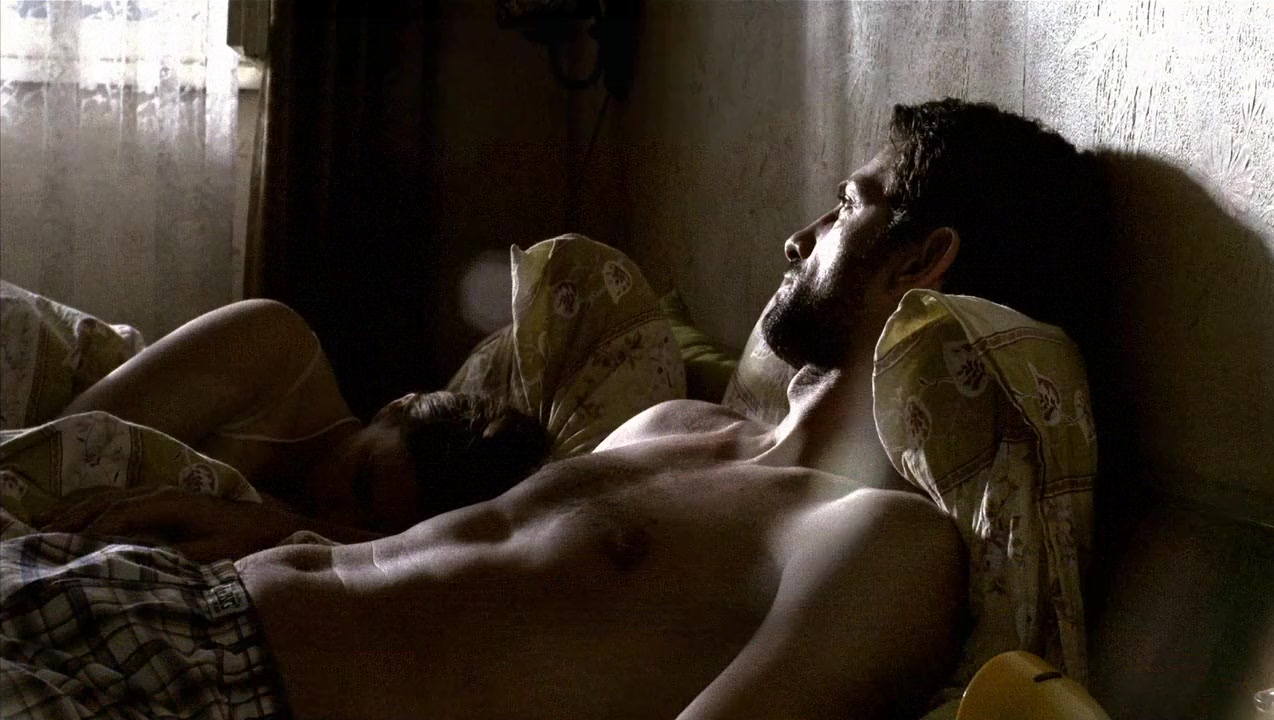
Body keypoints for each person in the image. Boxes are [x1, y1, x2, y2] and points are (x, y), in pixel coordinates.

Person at [1, 98, 1108, 720]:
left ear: (920, 259)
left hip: (228, 698)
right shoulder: (681, 426)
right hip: (171, 600)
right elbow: (483, 575)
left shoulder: (881, 545)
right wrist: (279, 534)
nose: (797, 238)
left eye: (844, 209)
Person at [39, 303, 550, 542]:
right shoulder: (273, 345)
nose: (336, 509)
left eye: (365, 525)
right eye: (361, 479)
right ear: (393, 408)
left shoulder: (298, 532)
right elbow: (52, 454)